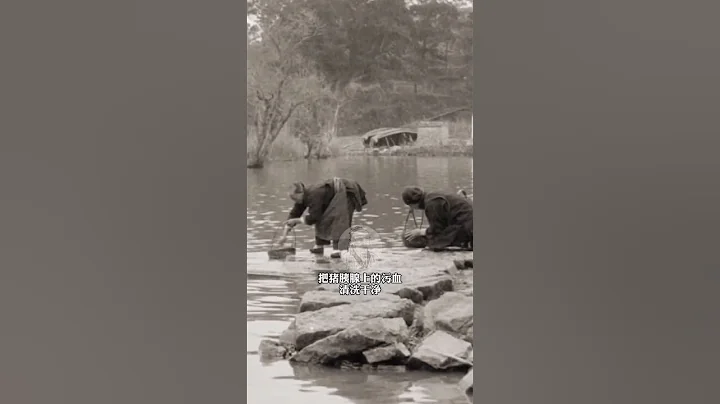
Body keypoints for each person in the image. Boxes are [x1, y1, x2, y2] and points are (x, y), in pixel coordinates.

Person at [283, 177, 368, 259]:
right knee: (323, 218)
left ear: (301, 192)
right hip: (332, 195)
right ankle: (319, 246)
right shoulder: (302, 197)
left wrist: (297, 220)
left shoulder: (314, 194)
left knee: (339, 220)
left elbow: (313, 218)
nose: (294, 200)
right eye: (292, 198)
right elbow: (295, 212)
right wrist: (285, 233)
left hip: (346, 191)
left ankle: (338, 249)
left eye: (294, 198)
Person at [402, 186, 473, 251]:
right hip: (467, 220)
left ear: (412, 204)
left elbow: (438, 229)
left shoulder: (431, 204)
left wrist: (421, 232)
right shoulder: (431, 196)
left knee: (435, 242)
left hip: (468, 225)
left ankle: (465, 242)